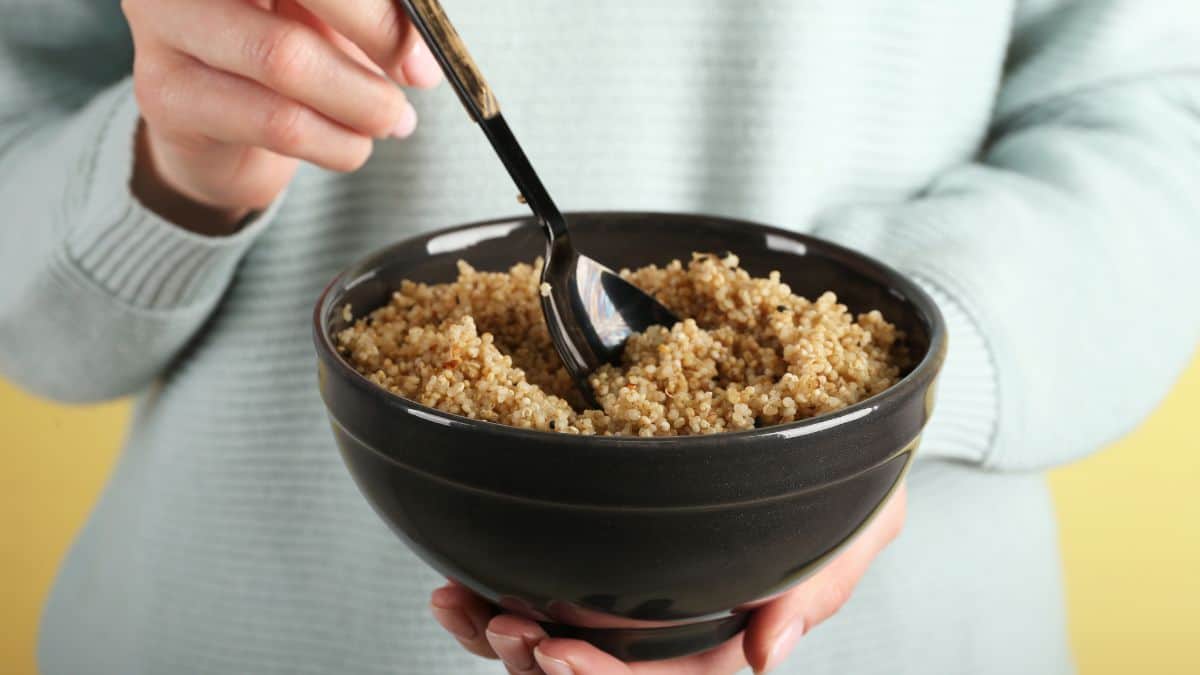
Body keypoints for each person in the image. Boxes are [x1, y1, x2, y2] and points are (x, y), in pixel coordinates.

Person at [1, 0, 1197, 673]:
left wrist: (884, 413)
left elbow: (1158, 118)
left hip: (901, 626)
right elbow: (34, 280)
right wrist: (183, 160)